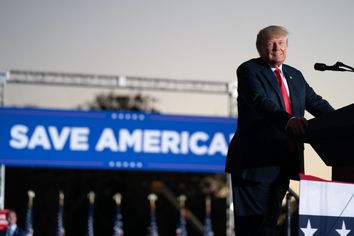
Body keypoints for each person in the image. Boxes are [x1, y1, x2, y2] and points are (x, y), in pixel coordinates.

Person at [225, 25, 334, 236]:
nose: (277, 48)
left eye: (282, 43)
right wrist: (289, 120)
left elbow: (316, 103)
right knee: (252, 229)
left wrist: (342, 121)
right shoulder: (249, 70)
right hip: (254, 163)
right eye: (270, 43)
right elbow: (261, 102)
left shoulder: (295, 75)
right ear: (259, 48)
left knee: (268, 227)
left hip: (284, 162)